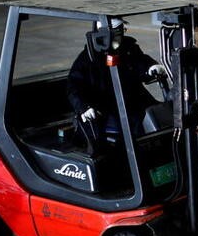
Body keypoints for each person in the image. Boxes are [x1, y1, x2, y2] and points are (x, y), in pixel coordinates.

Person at [67, 18, 166, 146]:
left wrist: (150, 67)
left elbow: (139, 62)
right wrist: (84, 107)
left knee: (159, 116)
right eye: (116, 34)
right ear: (104, 35)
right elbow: (74, 87)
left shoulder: (128, 48)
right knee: (135, 126)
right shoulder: (88, 59)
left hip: (133, 98)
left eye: (121, 32)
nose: (120, 37)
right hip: (105, 106)